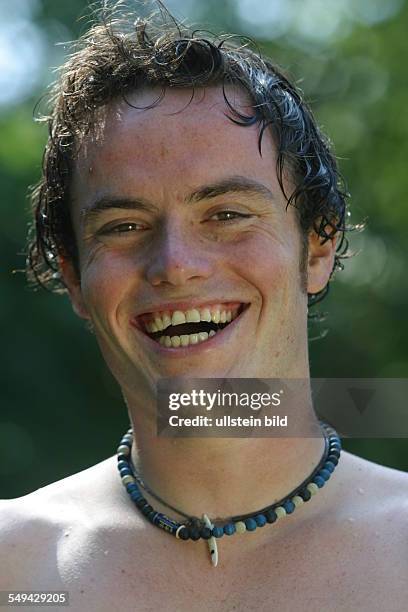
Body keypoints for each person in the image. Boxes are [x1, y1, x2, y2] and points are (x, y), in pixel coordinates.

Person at [1, 2, 407, 610]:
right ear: (76, 279)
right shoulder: (14, 566)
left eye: (227, 214)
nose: (175, 264)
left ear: (317, 245)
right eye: (124, 225)